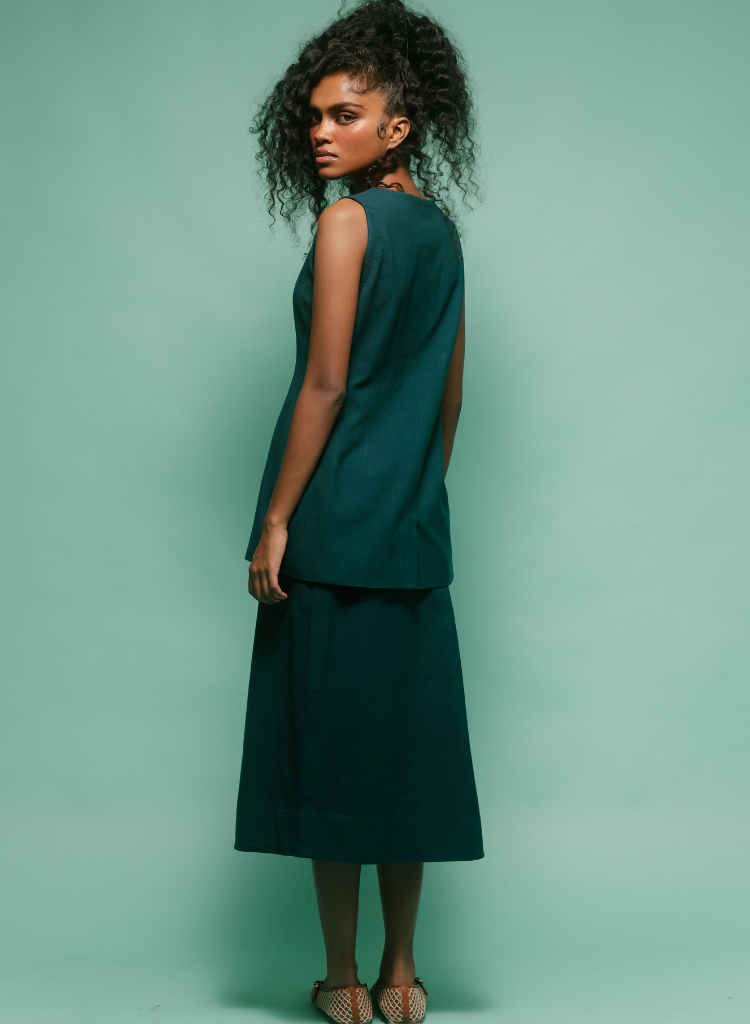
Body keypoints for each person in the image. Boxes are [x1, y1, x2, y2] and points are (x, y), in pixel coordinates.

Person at [234, 2, 483, 1021]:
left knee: (332, 758)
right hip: (411, 531)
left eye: (345, 114)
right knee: (403, 759)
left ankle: (340, 981)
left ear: (399, 125)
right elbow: (450, 399)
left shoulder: (346, 221)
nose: (320, 132)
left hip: (332, 529)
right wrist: (412, 490)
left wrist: (278, 520)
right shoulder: (443, 234)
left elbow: (326, 384)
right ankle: (404, 977)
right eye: (313, 116)